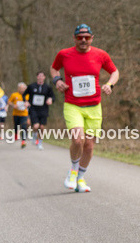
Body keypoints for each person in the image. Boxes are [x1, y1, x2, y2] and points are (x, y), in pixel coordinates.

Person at [51, 23, 119, 193]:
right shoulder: (64, 54)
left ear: (92, 38)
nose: (83, 40)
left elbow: (115, 72)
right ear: (74, 38)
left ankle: (80, 179)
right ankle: (73, 172)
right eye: (79, 37)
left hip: (94, 106)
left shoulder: (100, 54)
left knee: (89, 145)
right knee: (77, 140)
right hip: (73, 105)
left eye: (86, 37)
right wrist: (57, 81)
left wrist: (110, 84)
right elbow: (54, 68)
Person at [26, 71, 54, 149]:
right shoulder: (31, 86)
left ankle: (40, 143)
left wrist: (50, 99)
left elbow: (52, 96)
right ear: (37, 77)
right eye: (39, 76)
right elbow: (24, 94)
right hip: (33, 109)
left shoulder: (48, 87)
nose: (41, 77)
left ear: (44, 77)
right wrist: (26, 101)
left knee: (41, 127)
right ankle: (34, 135)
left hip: (44, 109)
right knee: (36, 126)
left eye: (42, 76)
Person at [8, 83, 30, 148]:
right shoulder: (14, 95)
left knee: (24, 126)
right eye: (20, 88)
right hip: (16, 114)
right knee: (16, 126)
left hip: (24, 114)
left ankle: (23, 141)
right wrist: (13, 105)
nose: (22, 90)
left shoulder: (28, 95)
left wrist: (28, 104)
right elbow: (9, 101)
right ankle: (16, 134)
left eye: (23, 88)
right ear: (18, 88)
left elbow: (31, 102)